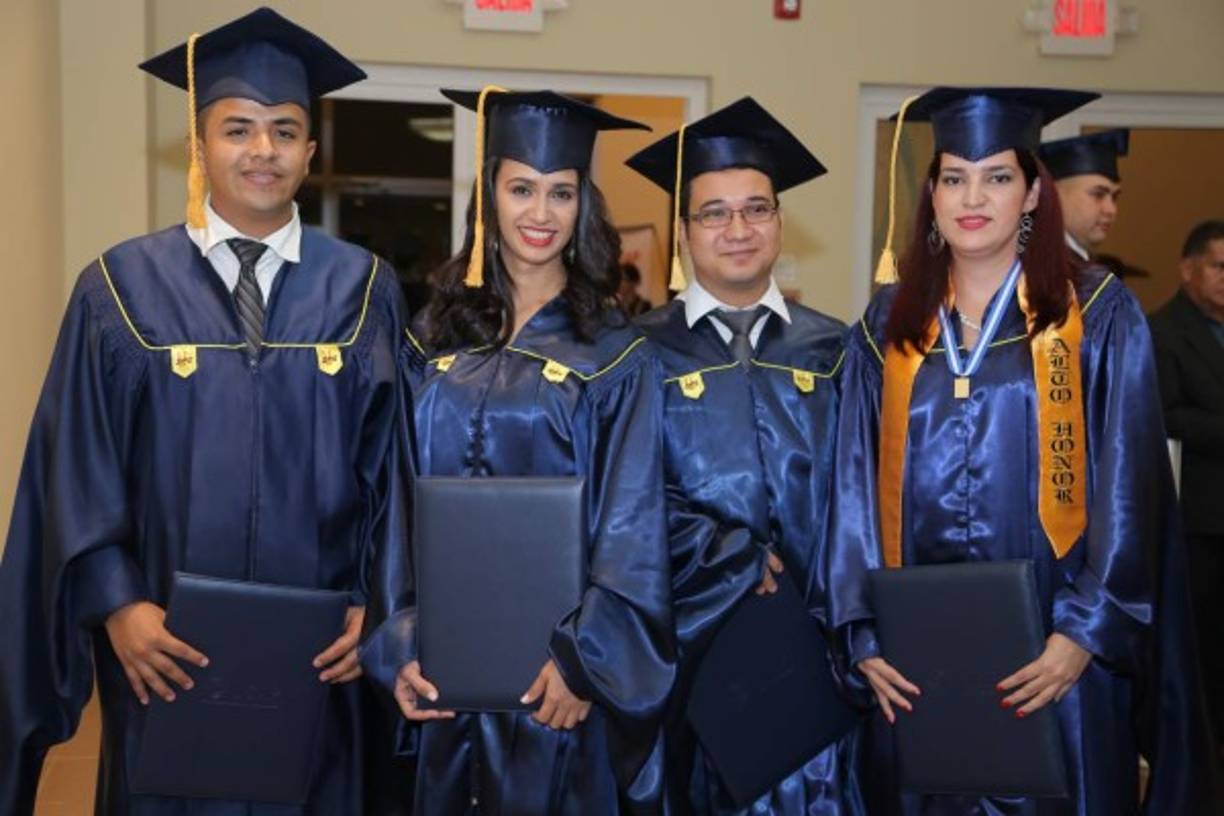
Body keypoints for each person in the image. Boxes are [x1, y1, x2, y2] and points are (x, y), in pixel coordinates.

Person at [0, 7, 411, 815]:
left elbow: (392, 467)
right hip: (164, 650)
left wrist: (374, 602)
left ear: (311, 152)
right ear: (198, 146)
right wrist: (118, 604)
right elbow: (75, 464)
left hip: (317, 656)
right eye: (238, 129)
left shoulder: (363, 290)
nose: (263, 150)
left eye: (285, 130)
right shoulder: (120, 288)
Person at [826, 86, 1220, 813]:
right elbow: (850, 485)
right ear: (932, 196)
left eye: (998, 176)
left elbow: (1130, 485)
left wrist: (1085, 632)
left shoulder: (1094, 313)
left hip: (1057, 655)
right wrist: (862, 632)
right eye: (954, 177)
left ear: (1034, 193)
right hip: (919, 662)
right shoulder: (888, 324)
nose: (973, 197)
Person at [360, 88, 674, 815]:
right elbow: (396, 505)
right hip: (445, 669)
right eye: (521, 189)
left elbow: (633, 526)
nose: (541, 213)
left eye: (561, 192)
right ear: (489, 197)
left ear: (582, 205)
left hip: (556, 685)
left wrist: (587, 661)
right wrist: (400, 640)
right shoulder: (431, 339)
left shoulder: (615, 355)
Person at [625, 96, 861, 815]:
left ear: (780, 223)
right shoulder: (636, 353)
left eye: (757, 209)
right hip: (691, 653)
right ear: (683, 232)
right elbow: (621, 503)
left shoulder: (836, 348)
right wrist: (725, 554)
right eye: (714, 213)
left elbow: (865, 493)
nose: (738, 230)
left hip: (818, 657)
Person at [1149, 219, 1224, 763]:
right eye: (1220, 266)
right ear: (1189, 269)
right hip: (1197, 517)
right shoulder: (1162, 331)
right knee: (1201, 641)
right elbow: (1165, 414)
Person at [1037, 128, 1128, 263]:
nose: (1111, 210)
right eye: (1098, 194)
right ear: (1053, 196)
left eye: (1114, 197)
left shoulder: (1079, 264)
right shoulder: (1041, 265)